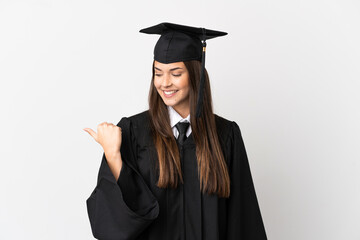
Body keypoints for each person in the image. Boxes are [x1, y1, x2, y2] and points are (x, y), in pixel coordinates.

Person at [84, 22, 267, 240]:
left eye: (176, 73)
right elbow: (113, 226)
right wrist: (113, 156)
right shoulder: (133, 132)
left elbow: (242, 219)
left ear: (195, 75)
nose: (165, 83)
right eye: (158, 73)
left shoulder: (226, 135)